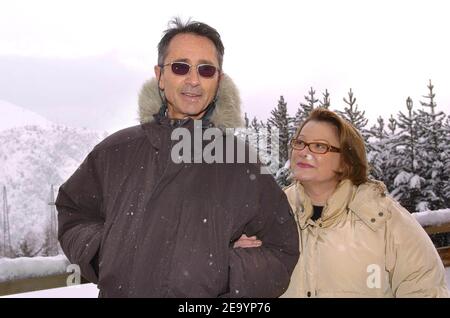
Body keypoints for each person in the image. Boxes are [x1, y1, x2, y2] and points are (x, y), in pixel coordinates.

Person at [55, 18, 299, 298]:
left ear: (218, 80)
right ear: (160, 75)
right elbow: (73, 211)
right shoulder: (116, 151)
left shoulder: (240, 161)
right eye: (180, 67)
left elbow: (281, 247)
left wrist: (227, 273)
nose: (193, 80)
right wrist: (105, 253)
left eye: (206, 70)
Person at [237, 108, 449, 297]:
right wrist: (240, 260)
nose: (303, 151)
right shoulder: (268, 216)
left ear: (346, 161)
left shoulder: (384, 218)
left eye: (319, 146)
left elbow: (425, 289)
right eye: (300, 142)